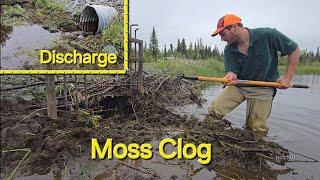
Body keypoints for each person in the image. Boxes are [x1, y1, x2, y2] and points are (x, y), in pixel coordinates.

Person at [208, 14, 300, 132]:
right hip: (239, 85)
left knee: (256, 127)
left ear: (234, 27)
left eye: (223, 34)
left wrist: (287, 78)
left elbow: (294, 49)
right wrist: (230, 76)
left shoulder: (268, 35)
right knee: (215, 110)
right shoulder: (229, 49)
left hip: (264, 87)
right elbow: (232, 72)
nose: (222, 39)